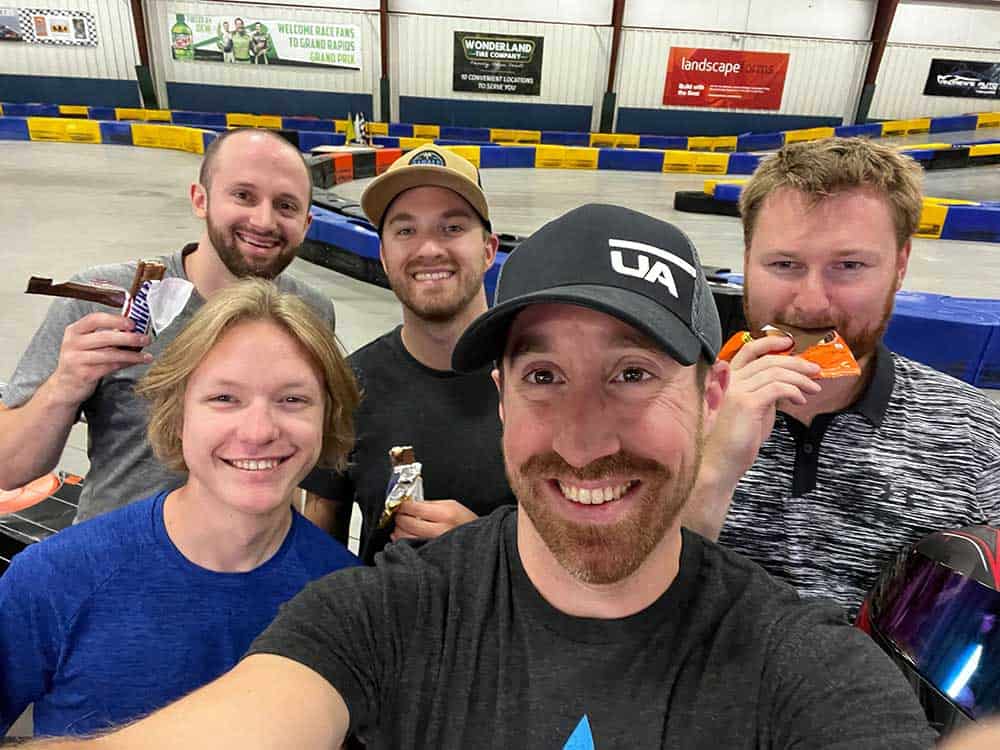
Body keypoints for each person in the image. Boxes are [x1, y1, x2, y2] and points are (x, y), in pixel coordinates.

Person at [18, 205, 935, 749]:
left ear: (713, 394)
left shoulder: (807, 669)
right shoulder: (373, 617)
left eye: (632, 373)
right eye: (544, 376)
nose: (581, 441)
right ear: (498, 394)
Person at [0, 280, 360, 737]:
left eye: (292, 399)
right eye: (224, 398)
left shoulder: (350, 599)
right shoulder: (56, 580)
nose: (258, 430)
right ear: (177, 415)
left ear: (327, 418)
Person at [684, 136, 1000, 615]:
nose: (811, 302)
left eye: (849, 266)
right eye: (784, 264)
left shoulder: (976, 435)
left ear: (899, 266)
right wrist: (712, 472)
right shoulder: (667, 406)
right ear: (747, 261)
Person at [0, 127, 332, 523]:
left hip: (252, 560)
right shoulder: (106, 298)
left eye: (286, 206)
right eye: (243, 196)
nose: (264, 220)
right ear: (200, 199)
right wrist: (64, 386)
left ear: (307, 222)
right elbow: (10, 468)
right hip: (118, 563)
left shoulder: (311, 312)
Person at [302, 145, 510, 564]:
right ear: (382, 254)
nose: (428, 249)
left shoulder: (542, 378)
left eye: (452, 228)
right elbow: (320, 551)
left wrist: (488, 543)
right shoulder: (347, 386)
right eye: (405, 231)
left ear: (489, 249)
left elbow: (594, 542)